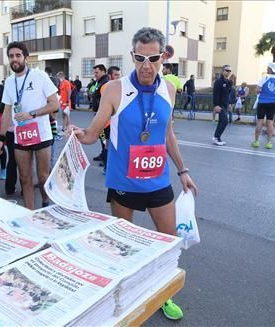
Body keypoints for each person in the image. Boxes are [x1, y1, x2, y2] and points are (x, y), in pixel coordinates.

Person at [68, 27, 198, 321]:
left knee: (168, 241)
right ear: (132, 56)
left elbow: (168, 133)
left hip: (158, 179)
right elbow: (93, 132)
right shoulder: (114, 89)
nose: (146, 66)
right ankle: (122, 298)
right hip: (123, 181)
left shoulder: (170, 89)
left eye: (153, 58)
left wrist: (183, 170)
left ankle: (164, 295)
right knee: (121, 247)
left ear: (163, 57)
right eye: (140, 58)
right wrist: (79, 135)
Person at [0, 42, 59, 209]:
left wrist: (31, 114)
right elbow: (7, 112)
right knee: (24, 177)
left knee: (43, 177)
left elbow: (54, 105)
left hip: (42, 134)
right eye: (11, 56)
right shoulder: (9, 82)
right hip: (21, 136)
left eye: (18, 55)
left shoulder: (40, 76)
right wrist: (1, 137)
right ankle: (29, 213)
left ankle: (45, 202)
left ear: (25, 58)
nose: (14, 59)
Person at [252, 62, 275, 149]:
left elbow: (257, 90)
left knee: (260, 122)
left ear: (270, 69)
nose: (266, 69)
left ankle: (256, 141)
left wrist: (262, 91)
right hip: (273, 103)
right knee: (270, 123)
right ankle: (269, 143)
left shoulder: (264, 77)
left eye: (267, 68)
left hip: (262, 102)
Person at [98, 66, 121, 174]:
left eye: (119, 75)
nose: (118, 77)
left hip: (115, 121)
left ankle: (110, 166)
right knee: (108, 144)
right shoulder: (107, 87)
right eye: (115, 75)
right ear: (109, 75)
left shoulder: (117, 86)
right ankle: (107, 167)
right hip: (107, 122)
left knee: (114, 144)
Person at [91, 64, 109, 162]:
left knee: (104, 138)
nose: (95, 74)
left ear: (103, 71)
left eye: (97, 72)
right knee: (102, 136)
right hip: (98, 113)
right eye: (94, 72)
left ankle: (105, 157)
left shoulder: (105, 83)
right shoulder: (99, 82)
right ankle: (103, 154)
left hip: (103, 115)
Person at [212, 65, 232, 146]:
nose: (228, 72)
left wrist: (229, 103)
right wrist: (216, 105)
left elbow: (228, 94)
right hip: (220, 105)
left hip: (225, 104)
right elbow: (215, 94)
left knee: (221, 121)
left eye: (230, 71)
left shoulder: (229, 82)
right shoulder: (218, 82)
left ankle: (217, 137)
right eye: (227, 70)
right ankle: (216, 137)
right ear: (223, 71)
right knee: (224, 121)